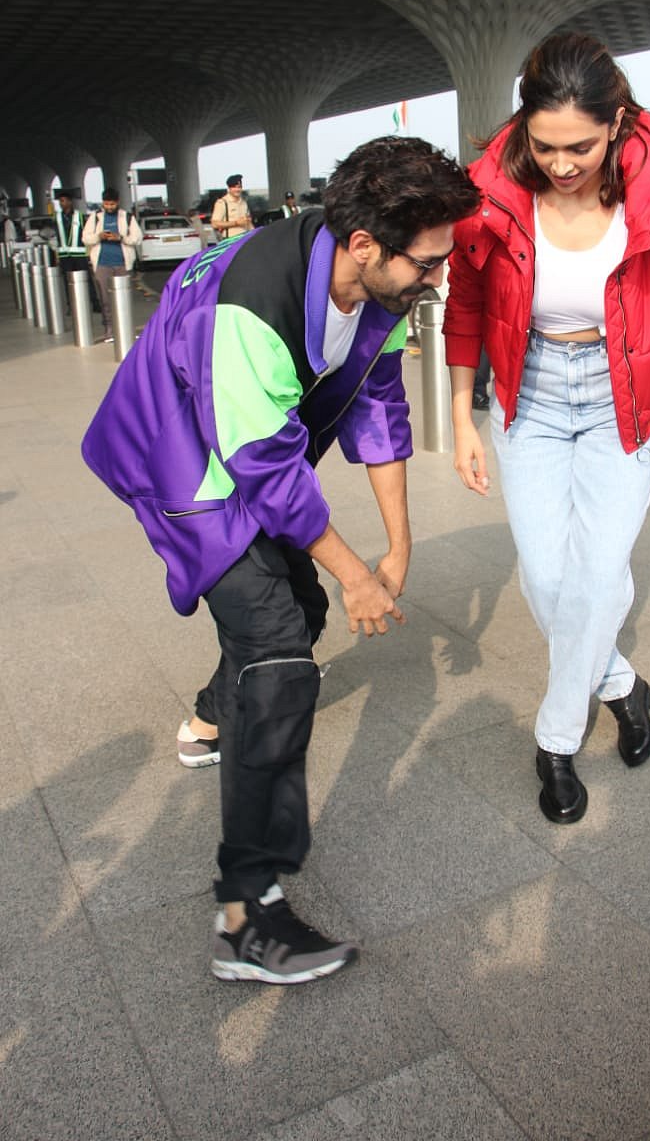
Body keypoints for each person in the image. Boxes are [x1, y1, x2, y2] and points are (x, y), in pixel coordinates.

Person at [82, 136, 480, 984]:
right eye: (429, 262)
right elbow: (262, 465)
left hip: (238, 437)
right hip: (176, 450)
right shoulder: (252, 299)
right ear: (365, 244)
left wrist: (398, 545)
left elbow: (378, 405)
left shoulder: (370, 286)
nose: (438, 278)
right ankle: (246, 917)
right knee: (278, 653)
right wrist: (355, 569)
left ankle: (206, 724)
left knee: (298, 614)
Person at [444, 33, 650, 825]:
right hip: (529, 395)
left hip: (624, 402)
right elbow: (466, 306)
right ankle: (622, 686)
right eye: (543, 146)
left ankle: (555, 738)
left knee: (593, 574)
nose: (561, 163)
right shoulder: (494, 188)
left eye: (579, 145)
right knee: (548, 579)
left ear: (615, 123)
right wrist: (460, 416)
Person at [82, 187, 142, 341]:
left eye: (112, 204)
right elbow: (85, 238)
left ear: (118, 203)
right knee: (105, 298)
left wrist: (120, 238)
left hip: (123, 263)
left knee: (124, 297)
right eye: (106, 204)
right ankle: (109, 329)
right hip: (102, 263)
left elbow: (137, 238)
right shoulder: (95, 217)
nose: (109, 207)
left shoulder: (127, 217)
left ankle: (126, 328)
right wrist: (99, 236)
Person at [54, 189, 98, 312]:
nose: (61, 203)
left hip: (79, 255)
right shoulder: (57, 217)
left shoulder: (79, 216)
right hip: (64, 255)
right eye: (60, 201)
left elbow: (87, 234)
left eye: (63, 201)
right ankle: (71, 305)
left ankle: (94, 302)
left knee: (87, 279)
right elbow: (55, 236)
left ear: (69, 202)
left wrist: (89, 253)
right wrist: (56, 254)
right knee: (68, 282)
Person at [210, 174, 253, 241]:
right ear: (229, 188)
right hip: (229, 240)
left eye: (239, 187)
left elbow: (248, 222)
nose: (237, 189)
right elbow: (214, 224)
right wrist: (236, 223)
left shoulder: (244, 203)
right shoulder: (222, 203)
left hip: (244, 239)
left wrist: (254, 233)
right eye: (234, 187)